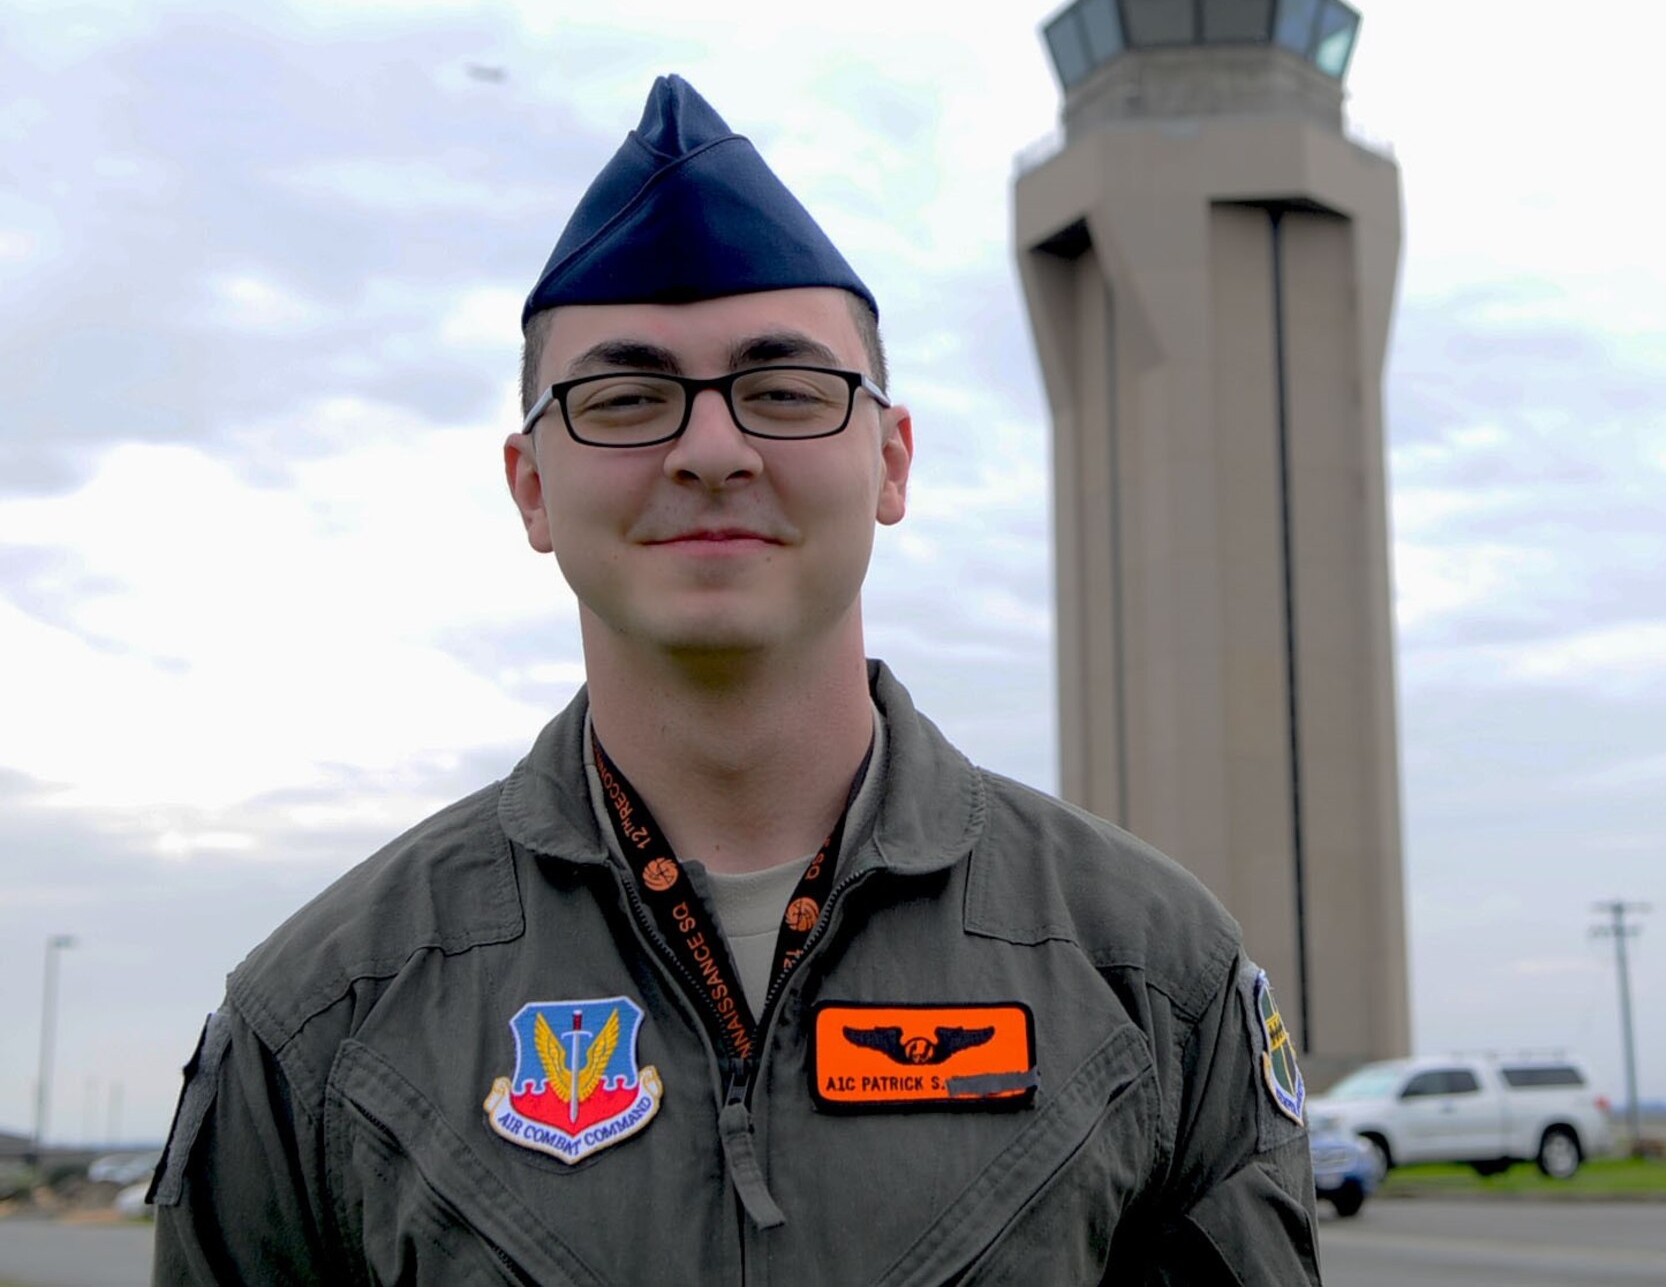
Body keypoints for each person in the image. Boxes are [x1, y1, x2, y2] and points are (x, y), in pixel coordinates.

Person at [151, 75, 1319, 1284]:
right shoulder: (326, 1019)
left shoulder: (1149, 978)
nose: (712, 450)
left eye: (785, 392)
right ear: (531, 487)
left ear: (890, 459)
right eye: (625, 399)